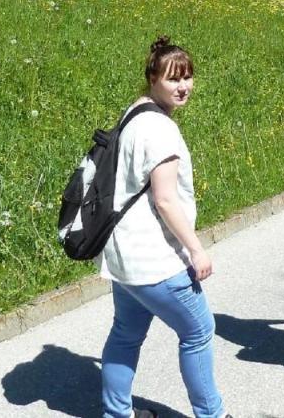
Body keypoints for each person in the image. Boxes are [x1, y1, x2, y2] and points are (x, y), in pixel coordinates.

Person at [99, 37, 227, 418]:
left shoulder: (134, 112)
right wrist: (196, 248)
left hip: (123, 256)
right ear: (152, 78)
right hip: (155, 259)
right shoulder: (160, 130)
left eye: (188, 77)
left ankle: (116, 413)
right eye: (173, 79)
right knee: (199, 331)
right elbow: (165, 199)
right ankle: (212, 414)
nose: (184, 86)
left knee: (125, 333)